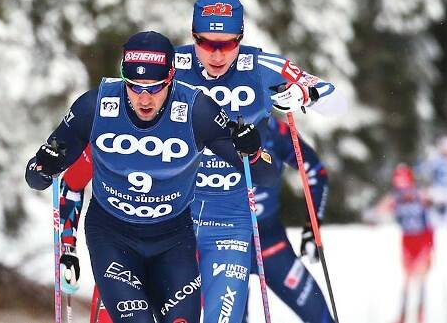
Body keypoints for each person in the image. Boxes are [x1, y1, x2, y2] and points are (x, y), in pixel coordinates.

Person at [25, 31, 277, 323]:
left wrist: (254, 151)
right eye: (134, 87)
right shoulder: (94, 107)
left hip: (173, 240)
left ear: (171, 78)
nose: (144, 98)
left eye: (155, 88)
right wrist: (44, 164)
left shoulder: (197, 110)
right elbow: (37, 179)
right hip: (112, 237)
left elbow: (265, 175)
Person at [175, 0, 345, 323]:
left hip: (247, 224)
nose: (217, 55)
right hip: (183, 221)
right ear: (194, 36)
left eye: (228, 44)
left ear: (241, 37)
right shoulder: (172, 66)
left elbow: (334, 99)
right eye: (206, 43)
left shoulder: (260, 66)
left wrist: (303, 95)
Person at [241, 117, 334, 323]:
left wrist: (313, 225)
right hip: (223, 248)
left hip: (271, 244)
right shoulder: (206, 123)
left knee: (321, 318)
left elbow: (315, 172)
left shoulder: (274, 130)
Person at [366, 164, 434, 323]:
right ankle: (403, 314)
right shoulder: (395, 198)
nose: (405, 191)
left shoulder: (421, 196)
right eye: (401, 186)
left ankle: (420, 315)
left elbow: (432, 219)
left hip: (422, 240)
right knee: (407, 280)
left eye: (406, 186)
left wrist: (431, 246)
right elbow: (378, 211)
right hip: (407, 241)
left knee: (421, 279)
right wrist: (373, 217)